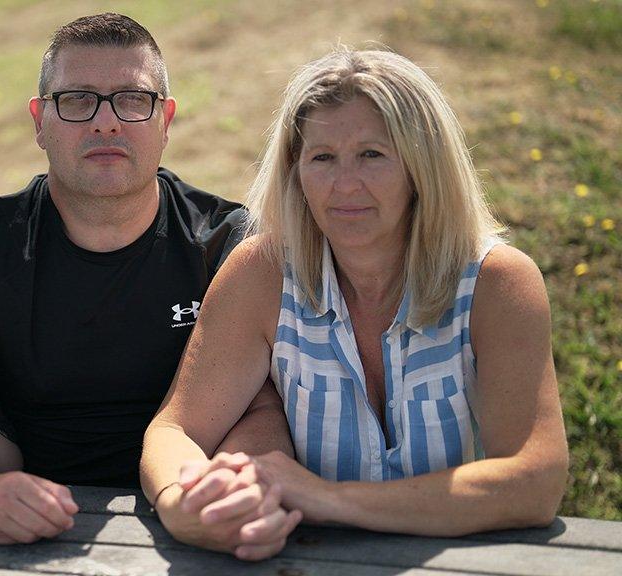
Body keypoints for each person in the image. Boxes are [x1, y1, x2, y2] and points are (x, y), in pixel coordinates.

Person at [0, 13, 279, 546]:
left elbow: (266, 408)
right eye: (77, 100)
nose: (106, 123)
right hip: (30, 515)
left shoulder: (228, 244)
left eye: (133, 100)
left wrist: (226, 486)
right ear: (40, 121)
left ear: (166, 119)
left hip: (191, 502)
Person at [140, 47, 570, 560]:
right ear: (295, 172)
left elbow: (534, 482)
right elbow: (175, 430)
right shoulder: (263, 273)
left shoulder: (498, 283)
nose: (345, 185)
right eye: (322, 158)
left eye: (372, 154)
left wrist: (328, 499)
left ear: (422, 166)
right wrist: (180, 500)